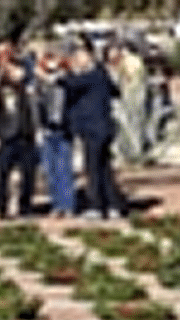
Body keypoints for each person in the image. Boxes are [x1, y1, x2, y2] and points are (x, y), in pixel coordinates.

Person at [62, 36, 125, 219]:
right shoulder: (101, 74)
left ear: (89, 56)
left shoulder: (94, 74)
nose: (77, 59)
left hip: (95, 129)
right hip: (101, 128)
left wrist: (59, 74)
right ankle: (112, 205)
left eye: (80, 55)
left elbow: (70, 83)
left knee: (94, 168)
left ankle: (96, 206)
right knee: (104, 167)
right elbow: (115, 91)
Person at [0, 55, 37, 221]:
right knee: (3, 174)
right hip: (6, 136)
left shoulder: (29, 89)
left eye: (19, 70)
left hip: (26, 135)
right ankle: (2, 207)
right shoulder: (0, 90)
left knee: (28, 174)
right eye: (13, 70)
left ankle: (25, 207)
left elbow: (35, 112)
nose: (17, 73)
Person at [35, 47, 74, 218]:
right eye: (49, 59)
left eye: (55, 59)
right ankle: (57, 204)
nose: (52, 63)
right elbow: (36, 105)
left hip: (63, 128)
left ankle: (68, 205)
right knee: (50, 169)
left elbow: (60, 82)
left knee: (64, 167)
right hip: (46, 129)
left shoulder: (67, 79)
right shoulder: (40, 84)